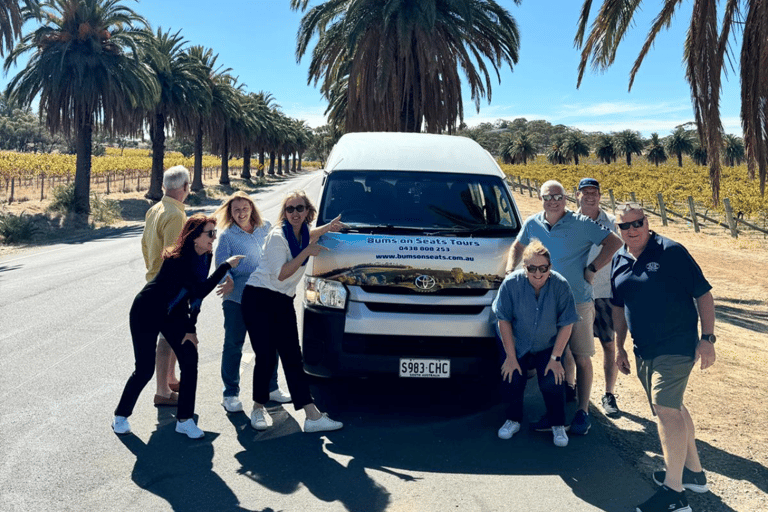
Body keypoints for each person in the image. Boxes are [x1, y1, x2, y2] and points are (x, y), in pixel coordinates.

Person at [611, 203, 715, 512]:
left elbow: (703, 294)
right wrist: (619, 347)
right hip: (644, 351)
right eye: (624, 226)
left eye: (637, 222)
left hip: (677, 346)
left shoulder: (671, 251)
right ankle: (693, 473)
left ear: (647, 222)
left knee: (665, 410)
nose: (632, 229)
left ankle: (674, 494)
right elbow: (619, 308)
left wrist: (707, 339)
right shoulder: (618, 259)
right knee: (675, 407)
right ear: (618, 230)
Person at [505, 180, 622, 435]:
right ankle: (556, 411)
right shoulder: (533, 222)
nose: (553, 201)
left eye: (558, 196)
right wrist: (509, 272)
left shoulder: (581, 223)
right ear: (541, 198)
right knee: (554, 355)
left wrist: (592, 269)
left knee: (581, 356)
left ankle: (583, 412)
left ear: (566, 199)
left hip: (576, 298)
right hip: (543, 301)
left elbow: (614, 242)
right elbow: (518, 246)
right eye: (548, 196)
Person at [113, 215, 244, 438]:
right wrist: (225, 267)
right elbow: (200, 289)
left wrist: (190, 329)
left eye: (215, 233)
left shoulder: (205, 255)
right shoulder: (179, 259)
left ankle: (184, 420)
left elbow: (194, 300)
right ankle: (120, 416)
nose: (214, 237)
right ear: (195, 237)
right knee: (144, 370)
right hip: (147, 310)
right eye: (210, 233)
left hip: (172, 314)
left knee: (190, 359)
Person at [241, 190, 347, 433]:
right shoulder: (279, 236)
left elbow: (311, 233)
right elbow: (282, 273)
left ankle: (312, 416)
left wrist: (328, 227)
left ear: (308, 212)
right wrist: (306, 253)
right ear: (284, 213)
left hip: (282, 301)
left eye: (300, 208)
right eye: (290, 209)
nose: (295, 213)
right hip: (259, 298)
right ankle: (257, 407)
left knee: (292, 357)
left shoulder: (302, 233)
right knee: (266, 356)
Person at [493, 240, 579, 447]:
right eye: (532, 268)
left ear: (550, 267)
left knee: (553, 378)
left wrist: (556, 358)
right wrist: (511, 357)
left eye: (543, 268)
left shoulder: (560, 285)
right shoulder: (511, 284)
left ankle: (557, 423)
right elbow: (502, 320)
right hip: (517, 341)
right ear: (525, 268)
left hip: (547, 344)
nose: (538, 274)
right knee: (512, 376)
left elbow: (567, 324)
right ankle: (513, 419)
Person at [214, 191, 290, 414]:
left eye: (244, 208)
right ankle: (230, 393)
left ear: (252, 208)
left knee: (270, 344)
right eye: (236, 210)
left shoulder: (265, 228)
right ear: (231, 213)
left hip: (266, 296)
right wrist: (226, 279)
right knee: (233, 345)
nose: (241, 213)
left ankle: (272, 387)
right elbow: (221, 266)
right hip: (237, 299)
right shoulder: (228, 237)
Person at [141, 165, 189, 406]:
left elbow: (145, 246)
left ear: (164, 187)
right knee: (166, 337)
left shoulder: (155, 210)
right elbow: (174, 256)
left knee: (170, 336)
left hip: (155, 278)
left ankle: (170, 379)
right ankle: (162, 391)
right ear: (185, 188)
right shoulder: (176, 215)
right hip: (168, 285)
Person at [576, 178, 621, 415]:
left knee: (608, 345)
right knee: (575, 347)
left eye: (594, 192)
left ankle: (609, 394)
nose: (590, 196)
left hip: (604, 293)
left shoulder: (612, 223)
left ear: (600, 196)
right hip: (577, 294)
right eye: (585, 193)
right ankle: (572, 389)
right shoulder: (569, 222)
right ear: (577, 195)